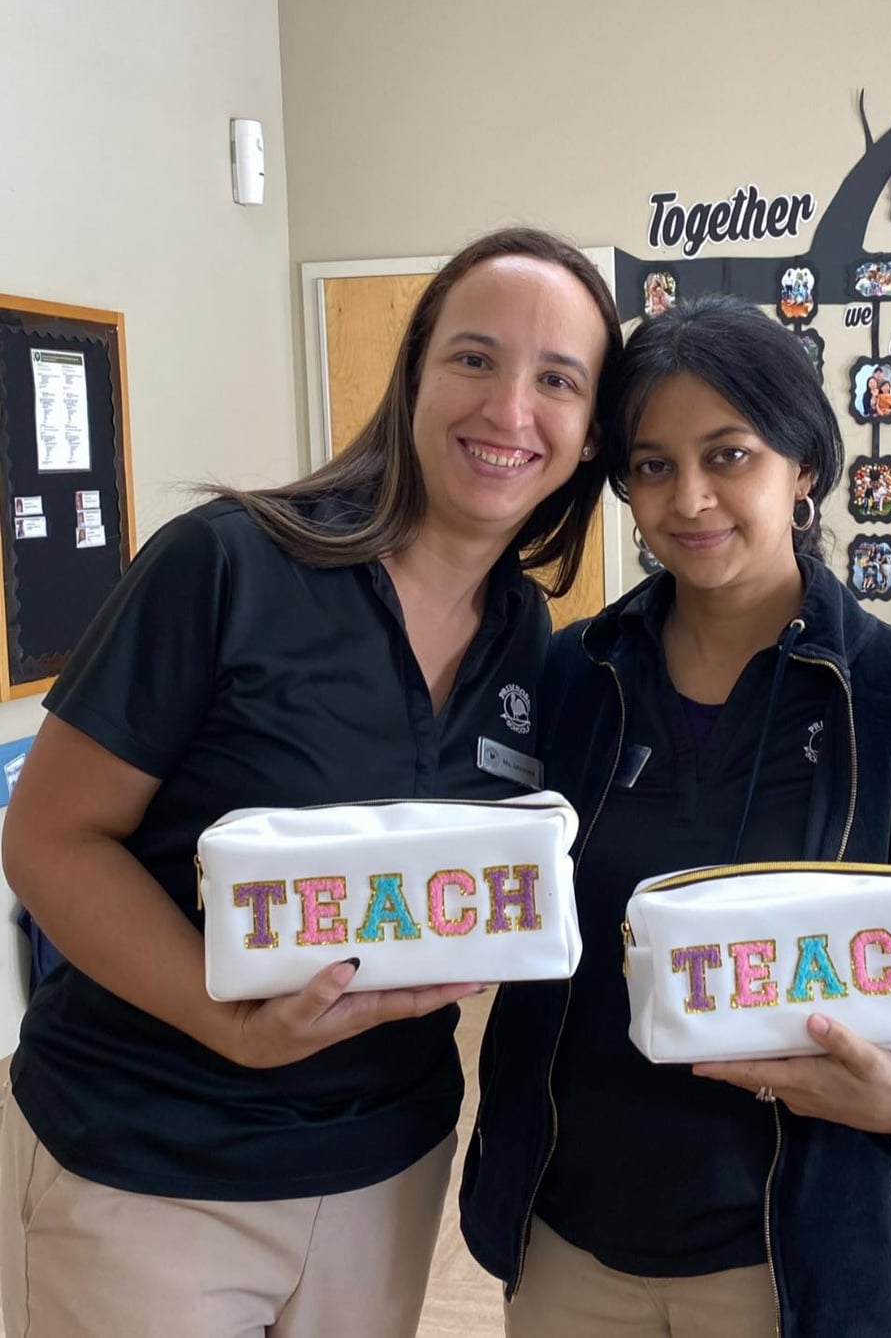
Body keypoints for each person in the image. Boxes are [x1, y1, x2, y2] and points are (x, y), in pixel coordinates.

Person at [0, 226, 623, 1338]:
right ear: (416, 374)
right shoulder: (229, 564)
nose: (509, 409)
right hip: (152, 1159)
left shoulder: (534, 644)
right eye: (475, 358)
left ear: (589, 438)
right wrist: (220, 1014)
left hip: (387, 1167)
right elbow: (49, 839)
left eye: (558, 380)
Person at [460, 295, 891, 1338]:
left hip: (805, 1250)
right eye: (651, 464)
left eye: (729, 455)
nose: (690, 497)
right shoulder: (574, 673)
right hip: (570, 1240)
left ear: (802, 465)